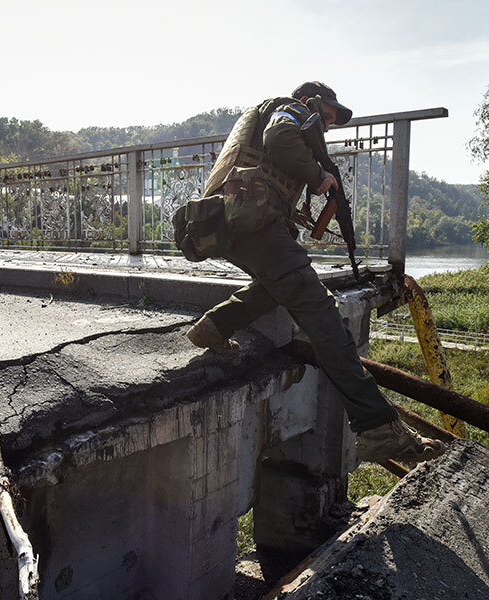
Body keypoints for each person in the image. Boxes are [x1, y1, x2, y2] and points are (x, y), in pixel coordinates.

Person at [184, 82, 446, 464]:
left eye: (330, 123)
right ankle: (378, 428)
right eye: (326, 117)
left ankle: (214, 326)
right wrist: (317, 174)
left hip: (235, 221)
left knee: (279, 286)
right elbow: (279, 137)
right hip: (255, 221)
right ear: (310, 102)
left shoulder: (275, 115)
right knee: (322, 314)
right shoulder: (291, 108)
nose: (326, 126)